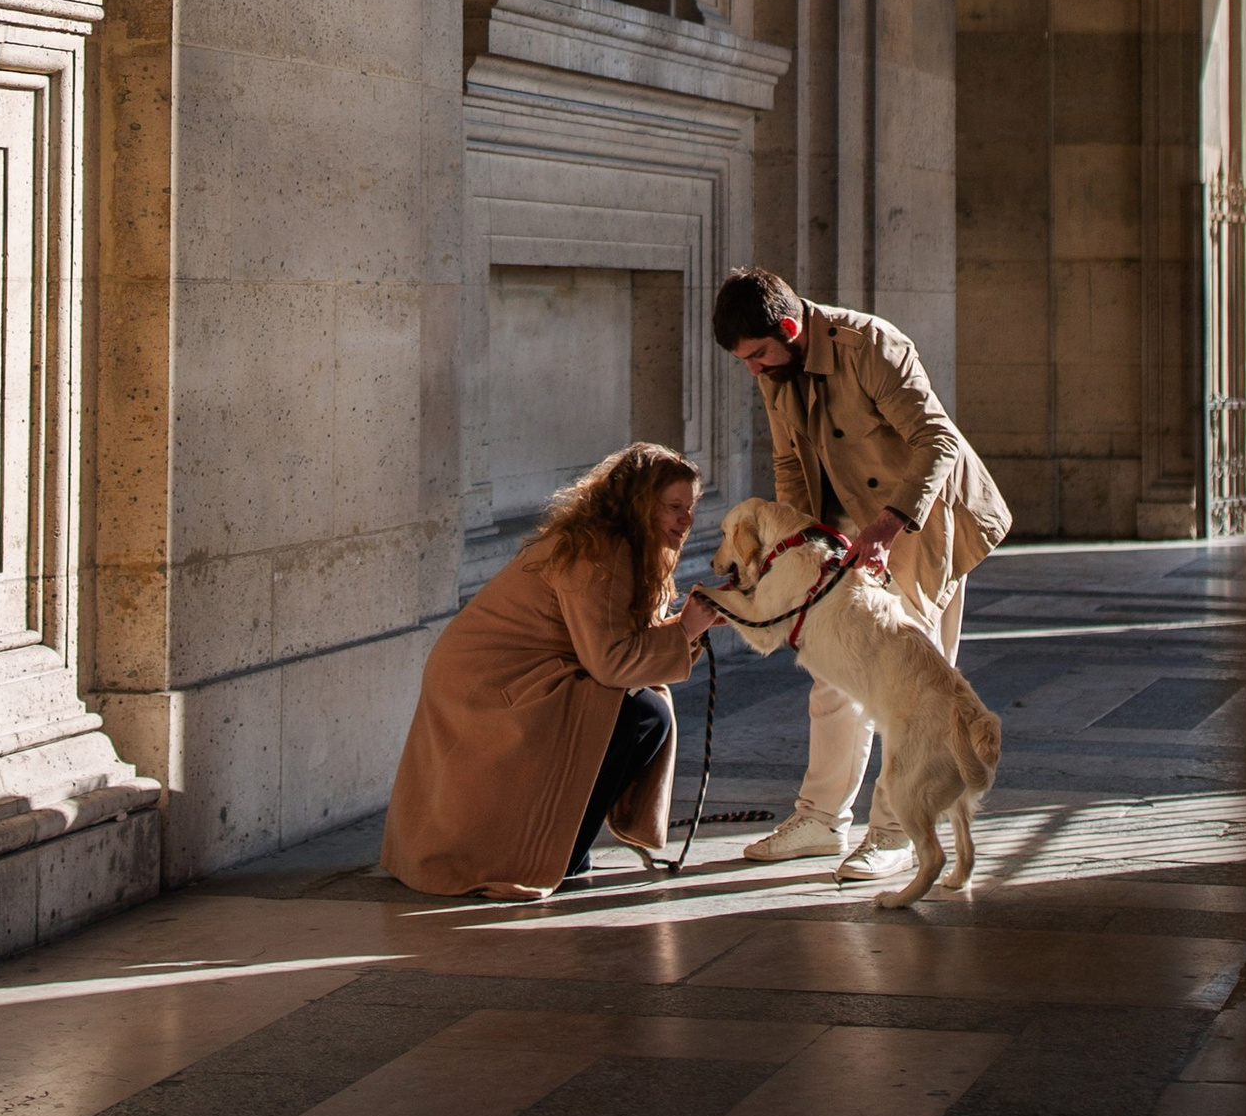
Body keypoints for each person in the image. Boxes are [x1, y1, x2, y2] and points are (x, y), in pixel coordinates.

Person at [711, 265, 1010, 870]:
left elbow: (939, 441)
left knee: (914, 685)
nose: (754, 370)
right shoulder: (777, 369)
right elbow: (791, 464)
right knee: (833, 673)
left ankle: (896, 832)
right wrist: (790, 554)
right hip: (846, 530)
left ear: (792, 328)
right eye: (744, 361)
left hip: (923, 521)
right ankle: (822, 820)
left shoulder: (873, 346)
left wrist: (887, 526)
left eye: (759, 356)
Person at [381, 444, 720, 900]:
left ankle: (567, 850)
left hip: (505, 675)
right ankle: (560, 853)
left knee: (641, 711)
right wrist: (684, 632)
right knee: (638, 715)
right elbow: (611, 662)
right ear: (641, 504)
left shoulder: (616, 543)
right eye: (674, 507)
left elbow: (611, 644)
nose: (687, 520)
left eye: (691, 508)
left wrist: (686, 627)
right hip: (492, 684)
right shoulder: (599, 552)